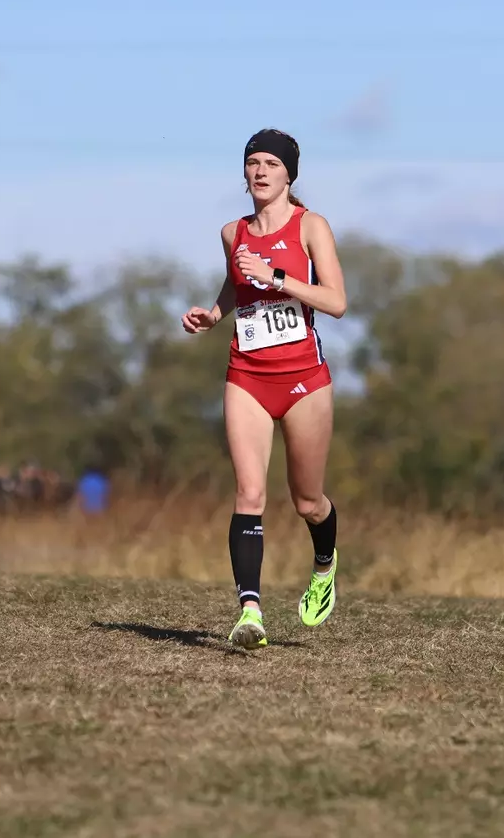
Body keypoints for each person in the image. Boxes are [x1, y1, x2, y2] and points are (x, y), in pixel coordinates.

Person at [180, 128, 347, 650]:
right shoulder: (233, 232)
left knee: (306, 500)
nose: (260, 171)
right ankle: (249, 611)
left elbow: (336, 301)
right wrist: (213, 313)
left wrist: (276, 277)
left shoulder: (311, 226)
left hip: (303, 379)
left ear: (289, 174)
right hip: (246, 375)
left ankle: (324, 563)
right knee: (250, 493)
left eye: (271, 163)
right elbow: (236, 282)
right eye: (253, 162)